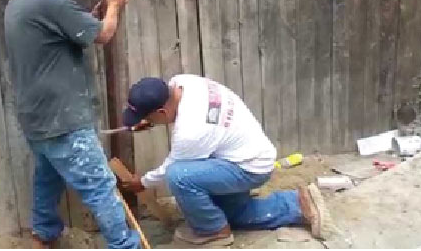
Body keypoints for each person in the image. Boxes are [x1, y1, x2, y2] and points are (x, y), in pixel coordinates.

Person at [5, 0, 140, 248]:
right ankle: (124, 245)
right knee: (99, 185)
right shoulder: (51, 1)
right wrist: (114, 8)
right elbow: (104, 35)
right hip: (63, 117)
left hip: (35, 116)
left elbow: (58, 39)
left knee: (48, 177)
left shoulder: (18, 4)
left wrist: (89, 18)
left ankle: (44, 233)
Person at [120, 74, 333, 246]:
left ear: (161, 111)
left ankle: (212, 230)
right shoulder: (185, 82)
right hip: (247, 153)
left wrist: (143, 183)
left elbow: (169, 168)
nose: (147, 122)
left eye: (149, 118)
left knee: (179, 176)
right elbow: (180, 118)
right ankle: (298, 203)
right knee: (233, 215)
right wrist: (151, 121)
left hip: (247, 168)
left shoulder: (190, 131)